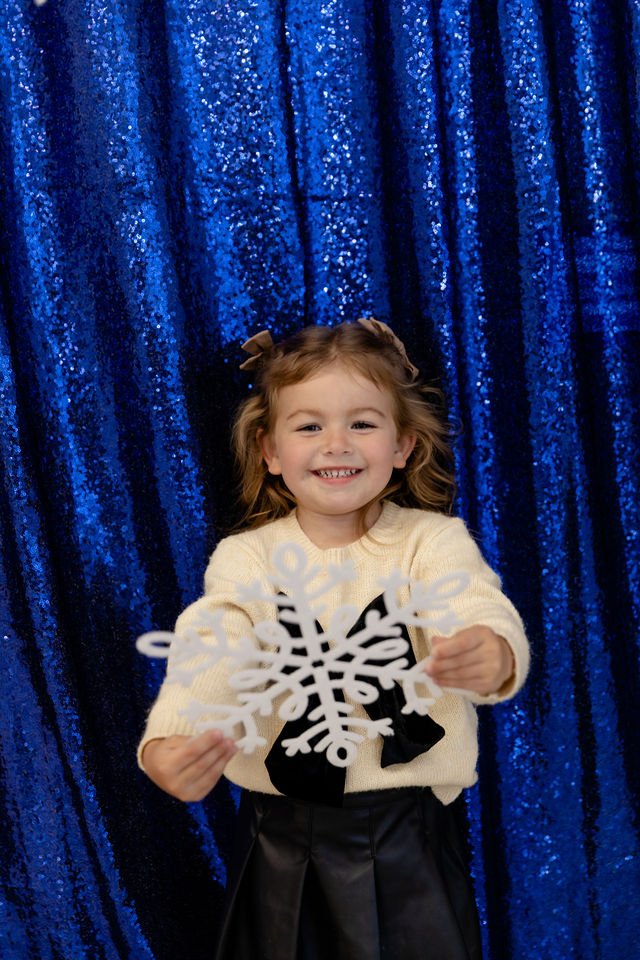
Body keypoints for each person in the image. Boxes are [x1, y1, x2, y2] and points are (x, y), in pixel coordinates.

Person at [138, 319, 529, 960]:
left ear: (403, 444)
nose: (336, 444)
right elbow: (213, 645)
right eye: (310, 426)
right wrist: (175, 735)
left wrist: (491, 650)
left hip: (409, 836)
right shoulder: (247, 559)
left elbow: (471, 602)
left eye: (363, 424)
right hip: (280, 839)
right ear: (269, 450)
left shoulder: (432, 542)